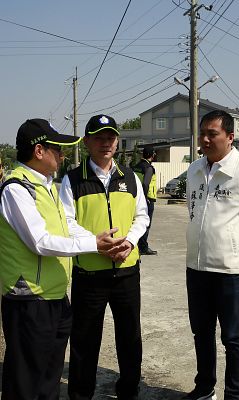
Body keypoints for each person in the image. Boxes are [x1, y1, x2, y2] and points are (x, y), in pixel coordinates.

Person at [0, 118, 125, 400]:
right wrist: (92, 244)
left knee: (49, 379)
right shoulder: (17, 189)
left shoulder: (46, 185)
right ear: (39, 151)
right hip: (29, 300)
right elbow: (41, 242)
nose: (63, 155)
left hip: (55, 297)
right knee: (26, 382)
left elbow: (65, 226)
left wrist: (98, 240)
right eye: (57, 149)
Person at [59, 114, 149, 400]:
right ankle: (80, 394)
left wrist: (130, 241)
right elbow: (67, 221)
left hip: (126, 271)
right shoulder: (73, 179)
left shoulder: (130, 178)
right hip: (89, 274)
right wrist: (95, 243)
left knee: (130, 337)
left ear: (118, 142)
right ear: (86, 142)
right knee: (85, 340)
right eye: (99, 138)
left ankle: (129, 390)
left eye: (110, 138)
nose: (106, 143)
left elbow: (142, 216)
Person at [184, 110, 239, 400]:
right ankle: (205, 388)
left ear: (230, 137)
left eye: (212, 134)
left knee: (232, 336)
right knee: (201, 332)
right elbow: (193, 212)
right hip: (196, 267)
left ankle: (234, 394)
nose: (205, 139)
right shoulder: (194, 170)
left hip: (231, 271)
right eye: (202, 133)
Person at [133, 144, 158, 255]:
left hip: (135, 197)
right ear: (152, 155)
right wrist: (145, 198)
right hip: (147, 199)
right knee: (145, 223)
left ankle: (136, 245)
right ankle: (143, 247)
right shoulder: (149, 168)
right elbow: (146, 183)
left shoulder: (136, 166)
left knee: (136, 222)